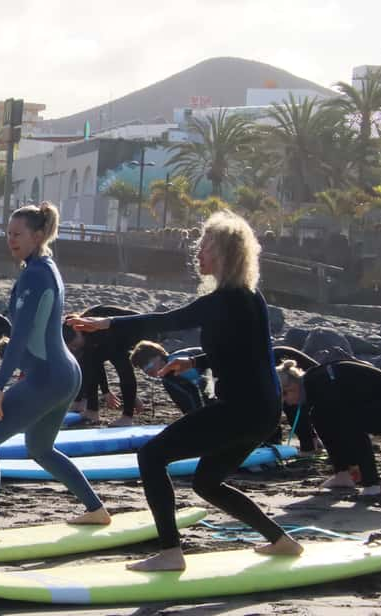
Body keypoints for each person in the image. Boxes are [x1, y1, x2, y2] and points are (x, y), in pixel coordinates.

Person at [69, 210, 301, 571]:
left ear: (225, 254)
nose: (198, 253)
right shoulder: (248, 298)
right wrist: (193, 363)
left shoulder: (224, 300)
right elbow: (244, 352)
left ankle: (170, 552)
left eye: (205, 246)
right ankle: (281, 541)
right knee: (207, 483)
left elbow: (166, 321)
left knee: (151, 456)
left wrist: (107, 323)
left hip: (239, 410)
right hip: (260, 410)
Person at [0, 202, 110, 542]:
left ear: (38, 235)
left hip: (48, 377)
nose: (11, 240)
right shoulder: (45, 266)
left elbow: (21, 335)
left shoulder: (35, 274)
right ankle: (96, 510)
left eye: (18, 234)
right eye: (8, 234)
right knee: (40, 448)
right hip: (64, 374)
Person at [277, 359, 381, 497]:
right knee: (320, 416)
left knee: (349, 423)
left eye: (286, 393)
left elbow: (348, 429)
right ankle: (342, 475)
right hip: (376, 404)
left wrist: (354, 463)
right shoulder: (311, 383)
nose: (285, 400)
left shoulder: (320, 383)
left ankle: (372, 484)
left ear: (295, 384)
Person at [62, 305, 142, 425]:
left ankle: (127, 417)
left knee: (122, 367)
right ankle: (91, 410)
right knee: (86, 360)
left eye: (74, 345)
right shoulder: (86, 336)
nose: (74, 348)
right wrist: (105, 391)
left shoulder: (100, 332)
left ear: (77, 331)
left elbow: (124, 371)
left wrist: (131, 396)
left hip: (137, 330)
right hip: (109, 335)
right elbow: (94, 365)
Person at [129, 340, 210, 415]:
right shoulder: (168, 371)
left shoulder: (174, 363)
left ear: (159, 356)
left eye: (149, 365)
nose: (147, 370)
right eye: (143, 368)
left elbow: (192, 392)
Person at [270, 346, 321, 454]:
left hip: (296, 376)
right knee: (277, 408)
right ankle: (274, 444)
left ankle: (309, 446)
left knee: (293, 409)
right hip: (283, 374)